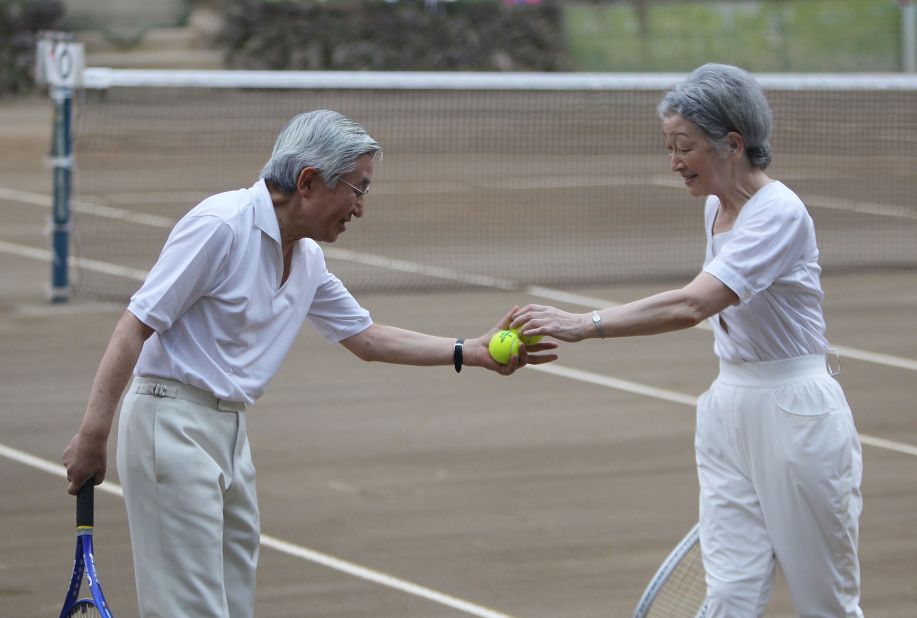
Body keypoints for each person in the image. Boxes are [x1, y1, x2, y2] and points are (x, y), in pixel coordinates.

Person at [62, 109, 558, 617]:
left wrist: (469, 350)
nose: (360, 209)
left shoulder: (306, 258)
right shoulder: (220, 226)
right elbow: (135, 325)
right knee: (190, 610)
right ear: (308, 181)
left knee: (233, 605)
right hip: (169, 425)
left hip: (229, 432)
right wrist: (93, 435)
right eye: (358, 189)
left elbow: (366, 337)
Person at [511, 64, 863, 617]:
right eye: (669, 146)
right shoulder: (715, 208)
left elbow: (693, 304)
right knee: (728, 594)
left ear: (732, 144)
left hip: (795, 413)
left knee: (825, 603)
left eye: (685, 147)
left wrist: (584, 323)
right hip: (727, 410)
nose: (674, 161)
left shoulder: (779, 213)